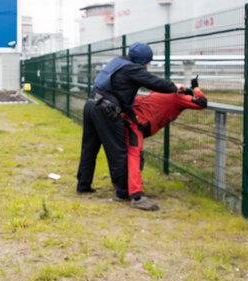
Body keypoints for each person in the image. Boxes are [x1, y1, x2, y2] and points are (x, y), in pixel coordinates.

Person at [76, 42, 177, 201]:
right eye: (147, 62)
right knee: (118, 150)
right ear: (143, 60)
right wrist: (175, 87)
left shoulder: (116, 62)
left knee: (89, 148)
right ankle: (123, 192)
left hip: (91, 104)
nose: (147, 65)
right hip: (106, 110)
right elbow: (155, 83)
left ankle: (83, 185)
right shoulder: (133, 69)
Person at [124, 78, 208, 210]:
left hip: (129, 121)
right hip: (135, 124)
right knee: (135, 156)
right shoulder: (176, 97)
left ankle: (125, 189)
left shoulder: (157, 93)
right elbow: (201, 102)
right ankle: (136, 196)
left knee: (131, 156)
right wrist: (196, 88)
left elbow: (137, 102)